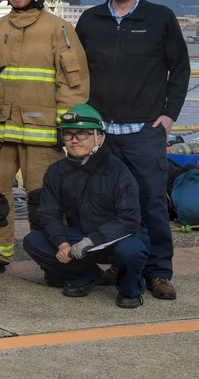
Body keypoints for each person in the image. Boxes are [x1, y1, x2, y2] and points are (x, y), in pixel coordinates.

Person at [75, 0, 190, 300]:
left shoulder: (160, 18)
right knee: (105, 204)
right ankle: (118, 265)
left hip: (144, 132)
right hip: (101, 135)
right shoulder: (90, 20)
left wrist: (169, 114)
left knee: (151, 201)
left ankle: (158, 273)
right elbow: (76, 71)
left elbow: (181, 68)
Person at [0, 0, 89, 273]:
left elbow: (73, 82)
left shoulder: (59, 29)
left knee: (45, 203)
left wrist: (67, 128)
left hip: (43, 136)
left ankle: (51, 260)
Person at [22, 104, 150, 308]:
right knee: (33, 241)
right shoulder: (56, 172)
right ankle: (88, 276)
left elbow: (129, 220)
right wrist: (61, 243)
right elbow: (48, 214)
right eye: (68, 134)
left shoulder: (118, 171)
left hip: (117, 238)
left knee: (131, 251)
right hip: (79, 238)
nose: (74, 140)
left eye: (82, 134)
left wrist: (93, 239)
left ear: (99, 138)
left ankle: (129, 289)